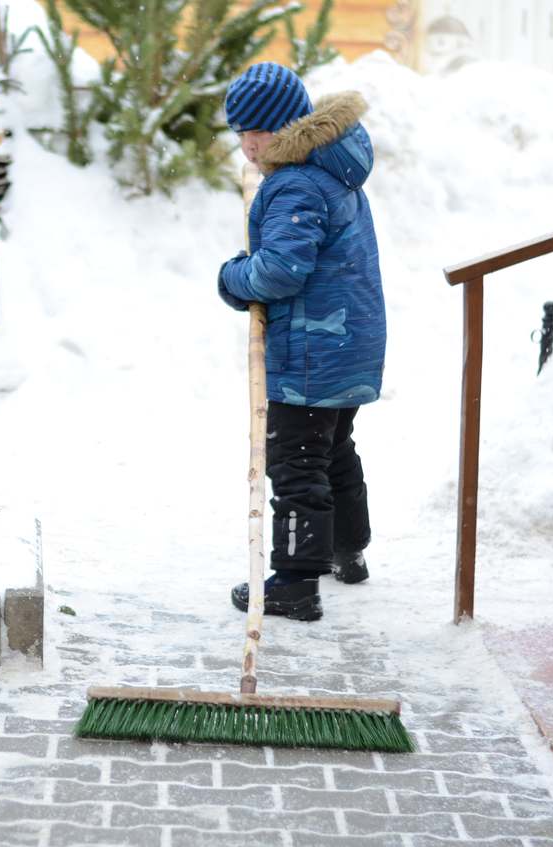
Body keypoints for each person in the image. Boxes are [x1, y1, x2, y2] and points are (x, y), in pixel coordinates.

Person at [217, 62, 386, 623]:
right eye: (240, 135)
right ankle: (347, 550)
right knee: (333, 449)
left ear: (286, 127)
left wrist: (233, 277)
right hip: (347, 344)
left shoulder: (295, 183)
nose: (248, 146)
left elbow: (281, 271)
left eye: (256, 133)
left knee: (296, 463)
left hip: (312, 350)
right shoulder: (332, 168)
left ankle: (294, 582)